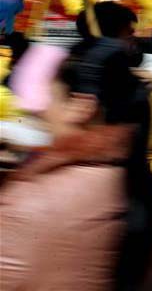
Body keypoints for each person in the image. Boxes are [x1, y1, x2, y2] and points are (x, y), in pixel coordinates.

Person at [0, 46, 130, 290]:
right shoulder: (126, 174)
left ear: (80, 105)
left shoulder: (34, 199)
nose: (31, 108)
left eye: (45, 97)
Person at [64, 1, 152, 290]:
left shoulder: (74, 68)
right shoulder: (101, 78)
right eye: (128, 33)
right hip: (117, 197)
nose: (134, 40)